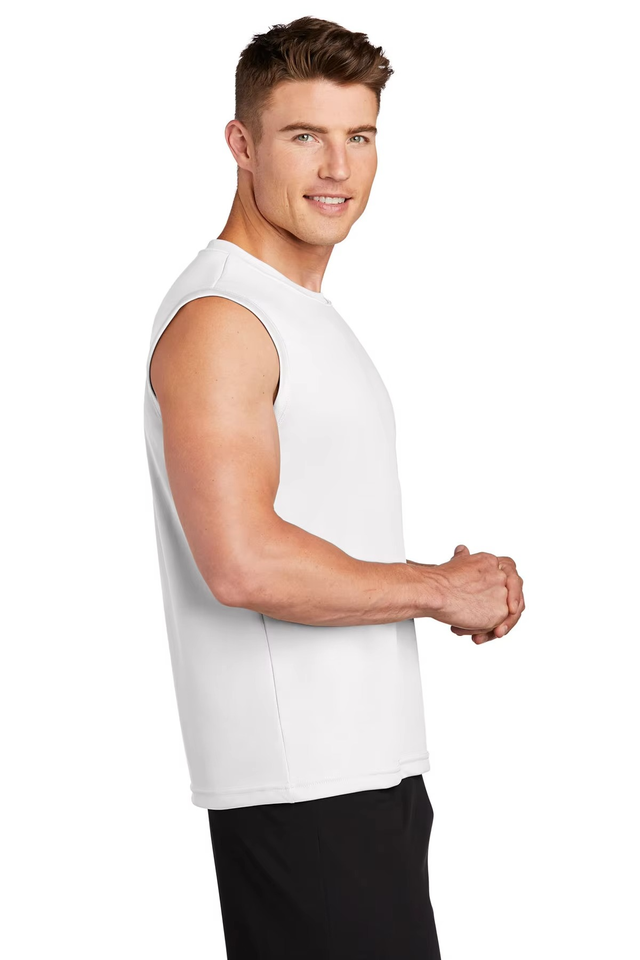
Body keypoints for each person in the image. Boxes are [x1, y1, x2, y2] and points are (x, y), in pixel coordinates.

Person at [143, 15, 525, 960]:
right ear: (241, 144)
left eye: (360, 136)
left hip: (364, 773)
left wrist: (447, 586)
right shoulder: (223, 317)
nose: (337, 168)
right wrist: (440, 588)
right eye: (304, 135)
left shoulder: (298, 312)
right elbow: (240, 562)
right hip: (300, 788)